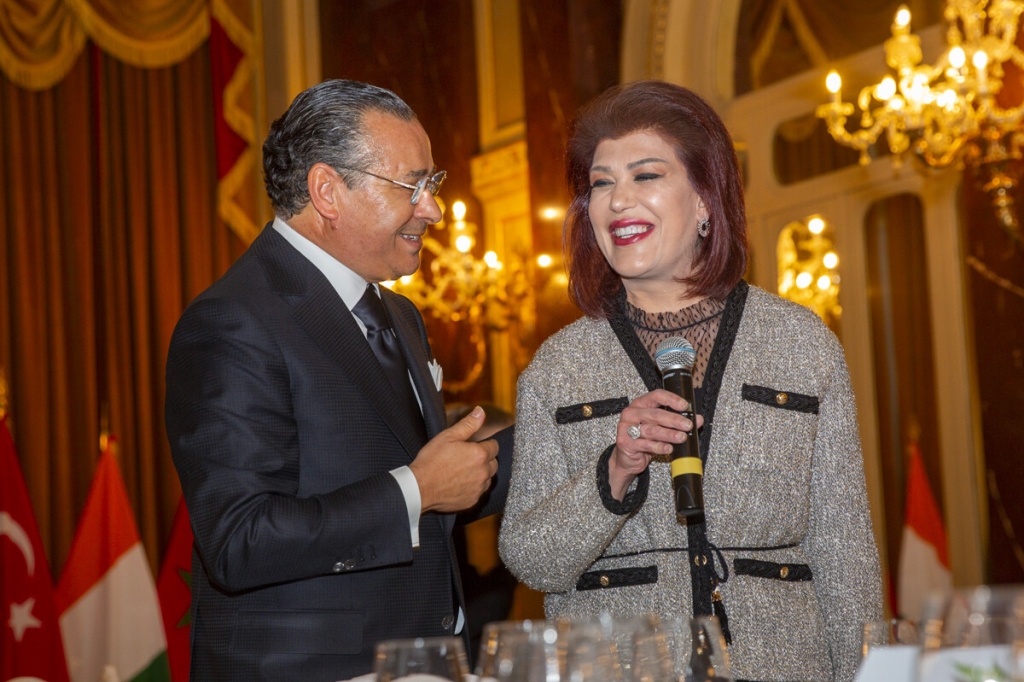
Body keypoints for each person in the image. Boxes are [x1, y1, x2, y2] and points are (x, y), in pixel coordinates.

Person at [498, 80, 882, 682]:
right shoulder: (557, 367)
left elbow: (845, 553)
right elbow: (531, 560)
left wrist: (871, 673)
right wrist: (615, 471)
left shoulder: (801, 344)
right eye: (601, 183)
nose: (618, 201)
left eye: (646, 175)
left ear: (705, 198)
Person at [165, 79, 513, 681]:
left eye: (433, 184)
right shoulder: (233, 321)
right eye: (413, 185)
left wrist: (592, 435)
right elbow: (239, 540)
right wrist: (416, 489)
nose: (432, 209)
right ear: (327, 190)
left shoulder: (398, 313)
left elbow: (439, 483)